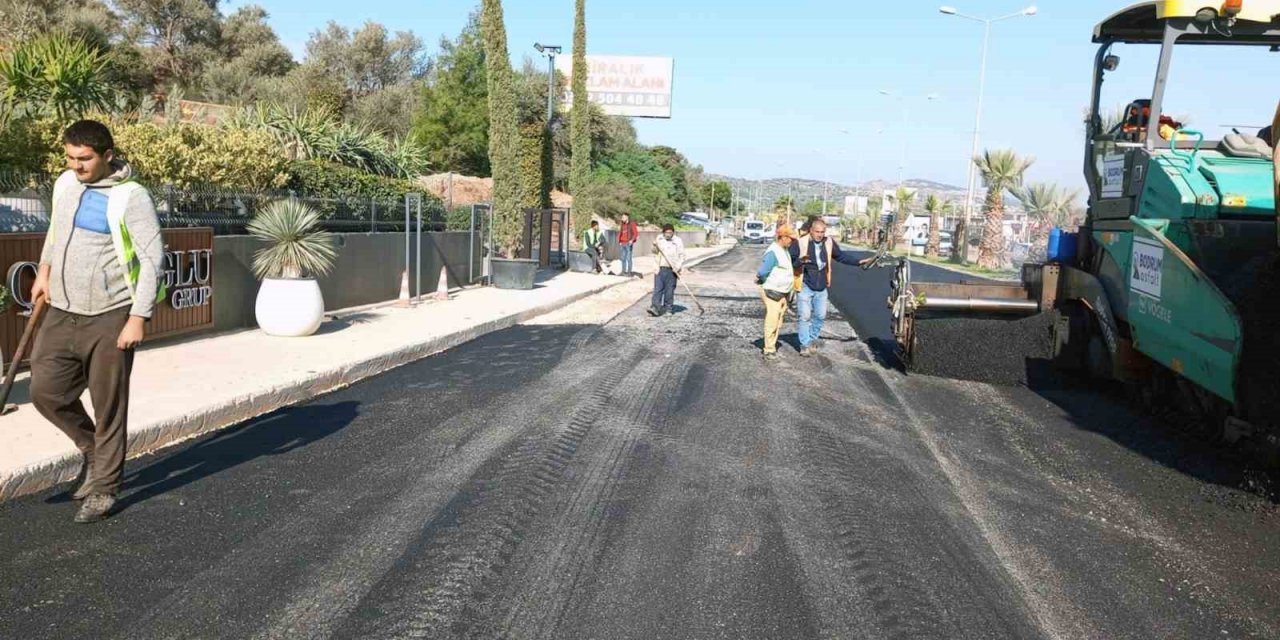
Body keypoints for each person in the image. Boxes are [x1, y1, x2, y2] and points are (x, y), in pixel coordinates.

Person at [30, 120, 165, 523]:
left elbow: (153, 258)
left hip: (111, 314)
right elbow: (56, 230)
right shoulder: (65, 184)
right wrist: (43, 269)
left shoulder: (131, 197)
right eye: (70, 158)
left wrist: (138, 317)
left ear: (107, 155)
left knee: (109, 406)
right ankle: (92, 449)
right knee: (44, 391)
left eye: (85, 159)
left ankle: (105, 487)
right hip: (62, 309)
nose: (77, 166)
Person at [788, 218, 860, 356]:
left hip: (821, 286)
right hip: (805, 284)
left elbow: (841, 256)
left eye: (822, 232)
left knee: (820, 316)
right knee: (804, 316)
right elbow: (789, 261)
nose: (820, 235)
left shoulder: (828, 242)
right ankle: (804, 344)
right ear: (811, 230)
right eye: (817, 232)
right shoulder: (800, 243)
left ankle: (812, 339)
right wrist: (800, 261)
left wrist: (859, 262)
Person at [756, 224, 798, 361]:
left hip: (782, 292)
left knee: (778, 320)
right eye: (790, 238)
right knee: (772, 319)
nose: (792, 241)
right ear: (783, 237)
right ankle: (769, 349)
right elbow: (763, 271)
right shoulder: (773, 252)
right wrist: (760, 279)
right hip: (772, 291)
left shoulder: (784, 249)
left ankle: (771, 343)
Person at [648, 224, 685, 317]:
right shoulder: (659, 239)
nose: (668, 234)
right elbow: (654, 252)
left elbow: (682, 255)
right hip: (660, 268)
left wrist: (677, 266)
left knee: (669, 290)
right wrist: (654, 246)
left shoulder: (678, 241)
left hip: (672, 270)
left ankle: (668, 308)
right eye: (666, 232)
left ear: (673, 232)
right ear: (663, 232)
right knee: (658, 289)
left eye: (670, 232)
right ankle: (655, 307)